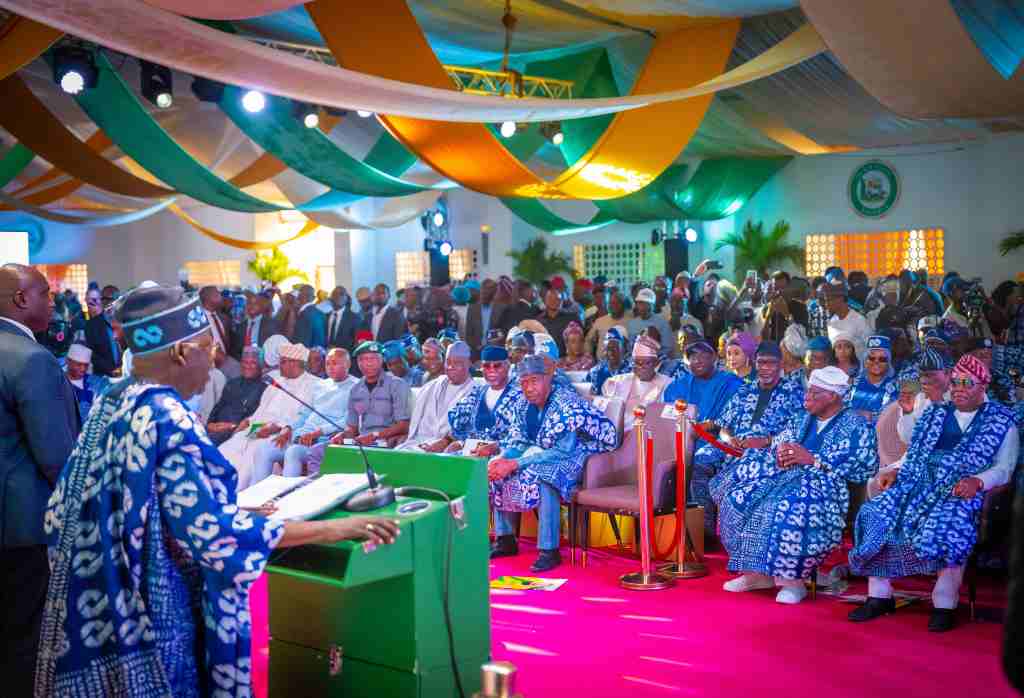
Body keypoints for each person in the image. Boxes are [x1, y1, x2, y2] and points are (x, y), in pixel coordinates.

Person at [35, 285, 399, 697]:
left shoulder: (111, 402)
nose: (212, 367)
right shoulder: (168, 418)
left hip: (98, 624)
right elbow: (218, 539)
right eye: (207, 351)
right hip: (157, 629)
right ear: (180, 352)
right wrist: (333, 529)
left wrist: (227, 510)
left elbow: (106, 509)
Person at [848, 354, 1019, 632]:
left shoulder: (1001, 421)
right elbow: (914, 452)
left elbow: (1005, 467)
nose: (959, 389)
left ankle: (944, 602)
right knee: (875, 513)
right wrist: (893, 470)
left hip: (958, 490)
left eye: (967, 383)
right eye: (956, 383)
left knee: (947, 526)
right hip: (916, 484)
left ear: (983, 387)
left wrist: (978, 480)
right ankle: (879, 596)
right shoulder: (935, 411)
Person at [716, 366, 878, 604]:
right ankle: (756, 574)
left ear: (832, 396)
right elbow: (781, 441)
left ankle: (793, 582)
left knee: (786, 507)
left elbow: (865, 465)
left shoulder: (856, 425)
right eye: (807, 392)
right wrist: (781, 450)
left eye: (814, 393)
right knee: (736, 497)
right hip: (784, 476)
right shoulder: (803, 417)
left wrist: (814, 460)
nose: (807, 397)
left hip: (824, 486)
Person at [0, 264, 80, 697]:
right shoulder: (32, 359)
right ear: (20, 300)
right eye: (45, 294)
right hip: (20, 530)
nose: (53, 302)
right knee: (22, 644)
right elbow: (56, 457)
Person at [488, 355, 618, 572]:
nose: (528, 388)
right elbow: (519, 441)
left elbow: (562, 451)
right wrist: (502, 460)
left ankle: (549, 550)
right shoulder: (522, 403)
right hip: (549, 450)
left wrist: (516, 463)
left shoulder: (566, 403)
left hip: (588, 452)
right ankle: (505, 539)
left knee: (548, 476)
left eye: (534, 381)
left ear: (548, 378)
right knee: (497, 469)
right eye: (524, 382)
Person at [695, 341, 805, 538]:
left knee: (743, 470)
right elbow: (723, 426)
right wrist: (729, 439)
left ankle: (742, 534)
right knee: (699, 461)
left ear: (780, 365)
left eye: (771, 363)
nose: (765, 368)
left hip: (768, 450)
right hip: (733, 446)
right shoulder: (745, 390)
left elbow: (797, 430)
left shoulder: (794, 392)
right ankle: (705, 530)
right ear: (755, 363)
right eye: (761, 363)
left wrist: (766, 441)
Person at [219, 342, 320, 488]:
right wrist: (247, 422)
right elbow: (260, 412)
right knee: (228, 449)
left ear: (295, 363)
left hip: (281, 434)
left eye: (283, 362)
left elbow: (303, 416)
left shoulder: (313, 385)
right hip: (257, 429)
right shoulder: (275, 383)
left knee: (251, 456)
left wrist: (275, 428)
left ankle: (244, 497)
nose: (279, 365)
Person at [250, 348, 360, 482]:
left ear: (348, 365)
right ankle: (258, 499)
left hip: (323, 440)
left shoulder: (357, 386)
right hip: (301, 436)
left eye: (335, 363)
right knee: (264, 450)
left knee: (293, 452)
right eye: (327, 363)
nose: (330, 367)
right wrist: (288, 428)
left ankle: (286, 499)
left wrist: (317, 433)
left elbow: (349, 422)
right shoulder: (320, 385)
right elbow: (304, 414)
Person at [866, 348, 950, 498]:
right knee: (876, 483)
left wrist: (938, 402)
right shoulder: (920, 399)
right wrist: (908, 413)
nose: (926, 380)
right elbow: (908, 439)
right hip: (914, 461)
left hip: (943, 466)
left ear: (947, 374)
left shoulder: (958, 397)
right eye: (923, 375)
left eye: (931, 375)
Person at [399, 341, 477, 451]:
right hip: (418, 443)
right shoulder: (432, 386)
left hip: (450, 448)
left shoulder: (476, 392)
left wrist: (445, 443)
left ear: (469, 363)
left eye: (457, 362)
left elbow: (471, 431)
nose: (450, 367)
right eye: (448, 362)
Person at [332, 341, 412, 447]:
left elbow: (404, 425)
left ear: (382, 360)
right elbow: (352, 428)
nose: (368, 363)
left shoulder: (397, 384)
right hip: (360, 441)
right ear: (358, 363)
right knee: (322, 449)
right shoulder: (355, 389)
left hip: (385, 441)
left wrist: (375, 435)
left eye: (373, 358)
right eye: (363, 359)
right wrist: (343, 435)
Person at [447, 346, 522, 455]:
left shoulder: (520, 395)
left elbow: (522, 436)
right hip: (472, 452)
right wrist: (458, 443)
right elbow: (460, 428)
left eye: (497, 366)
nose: (492, 370)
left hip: (504, 455)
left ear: (507, 366)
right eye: (487, 366)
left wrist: (496, 447)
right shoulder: (477, 393)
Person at [601, 334, 671, 433]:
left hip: (649, 435)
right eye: (637, 362)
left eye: (646, 363)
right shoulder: (620, 381)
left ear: (656, 363)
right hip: (617, 434)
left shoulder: (667, 383)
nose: (641, 367)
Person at [662, 338, 743, 422]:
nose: (697, 361)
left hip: (718, 432)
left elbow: (735, 416)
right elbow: (669, 418)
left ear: (714, 357)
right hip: (682, 432)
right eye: (693, 357)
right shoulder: (677, 386)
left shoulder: (730, 382)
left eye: (703, 356)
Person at [205, 345, 268, 446]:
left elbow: (256, 421)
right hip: (215, 429)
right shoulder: (232, 383)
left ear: (260, 367)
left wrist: (232, 427)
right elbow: (218, 407)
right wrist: (210, 424)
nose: (248, 366)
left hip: (237, 435)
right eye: (245, 362)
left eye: (253, 363)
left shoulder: (265, 390)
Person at [846, 335, 899, 422]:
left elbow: (891, 418)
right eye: (871, 358)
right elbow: (840, 410)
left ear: (888, 363)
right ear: (865, 361)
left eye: (882, 359)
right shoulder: (852, 384)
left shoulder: (896, 387)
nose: (876, 362)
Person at [199, 285, 238, 378]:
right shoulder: (198, 320)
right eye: (218, 294)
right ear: (209, 298)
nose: (221, 297)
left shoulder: (223, 317)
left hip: (226, 361)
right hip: (209, 367)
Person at [825, 283, 871, 359]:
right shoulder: (831, 322)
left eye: (829, 300)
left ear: (841, 299)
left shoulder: (859, 320)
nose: (826, 304)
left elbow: (870, 347)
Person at [761, 271, 809, 342]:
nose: (779, 292)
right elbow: (764, 338)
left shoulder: (800, 307)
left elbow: (802, 336)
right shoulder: (766, 308)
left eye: (782, 288)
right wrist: (768, 317)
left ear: (789, 288)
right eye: (776, 289)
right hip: (773, 350)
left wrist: (786, 314)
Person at [84, 289, 123, 377]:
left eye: (113, 300)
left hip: (125, 373)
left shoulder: (124, 321)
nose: (110, 303)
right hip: (103, 376)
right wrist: (111, 369)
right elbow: (90, 353)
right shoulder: (92, 325)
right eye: (105, 299)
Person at [64, 343, 109, 418]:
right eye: (79, 365)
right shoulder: (57, 383)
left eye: (86, 365)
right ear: (68, 361)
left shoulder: (97, 383)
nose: (83, 369)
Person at [628, 288, 675, 358]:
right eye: (641, 303)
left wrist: (650, 357)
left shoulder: (663, 323)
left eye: (647, 304)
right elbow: (630, 348)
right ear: (637, 305)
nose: (643, 307)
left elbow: (668, 349)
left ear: (653, 306)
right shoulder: (632, 324)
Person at [586, 326, 632, 394]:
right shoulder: (594, 372)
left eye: (615, 348)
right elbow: (586, 395)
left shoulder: (631, 371)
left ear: (624, 349)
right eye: (608, 348)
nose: (611, 352)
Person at [586, 289, 628, 361]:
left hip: (623, 365)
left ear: (623, 305)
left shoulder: (630, 321)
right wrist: (588, 358)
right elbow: (588, 341)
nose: (614, 305)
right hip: (602, 363)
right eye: (611, 303)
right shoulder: (599, 321)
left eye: (617, 303)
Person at [233, 291, 280, 356]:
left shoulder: (271, 324)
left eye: (255, 303)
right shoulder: (240, 325)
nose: (251, 306)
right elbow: (237, 350)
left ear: (262, 306)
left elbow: (276, 348)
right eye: (249, 303)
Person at [536, 286, 577, 358]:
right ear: (545, 301)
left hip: (569, 360)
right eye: (550, 299)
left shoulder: (572, 317)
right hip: (547, 360)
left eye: (557, 299)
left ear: (561, 301)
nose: (554, 301)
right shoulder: (538, 321)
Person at [465, 278, 498, 359]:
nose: (484, 293)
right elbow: (468, 332)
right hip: (476, 352)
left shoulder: (500, 309)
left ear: (494, 293)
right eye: (483, 290)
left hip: (495, 351)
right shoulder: (473, 308)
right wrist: (475, 346)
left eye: (488, 291)